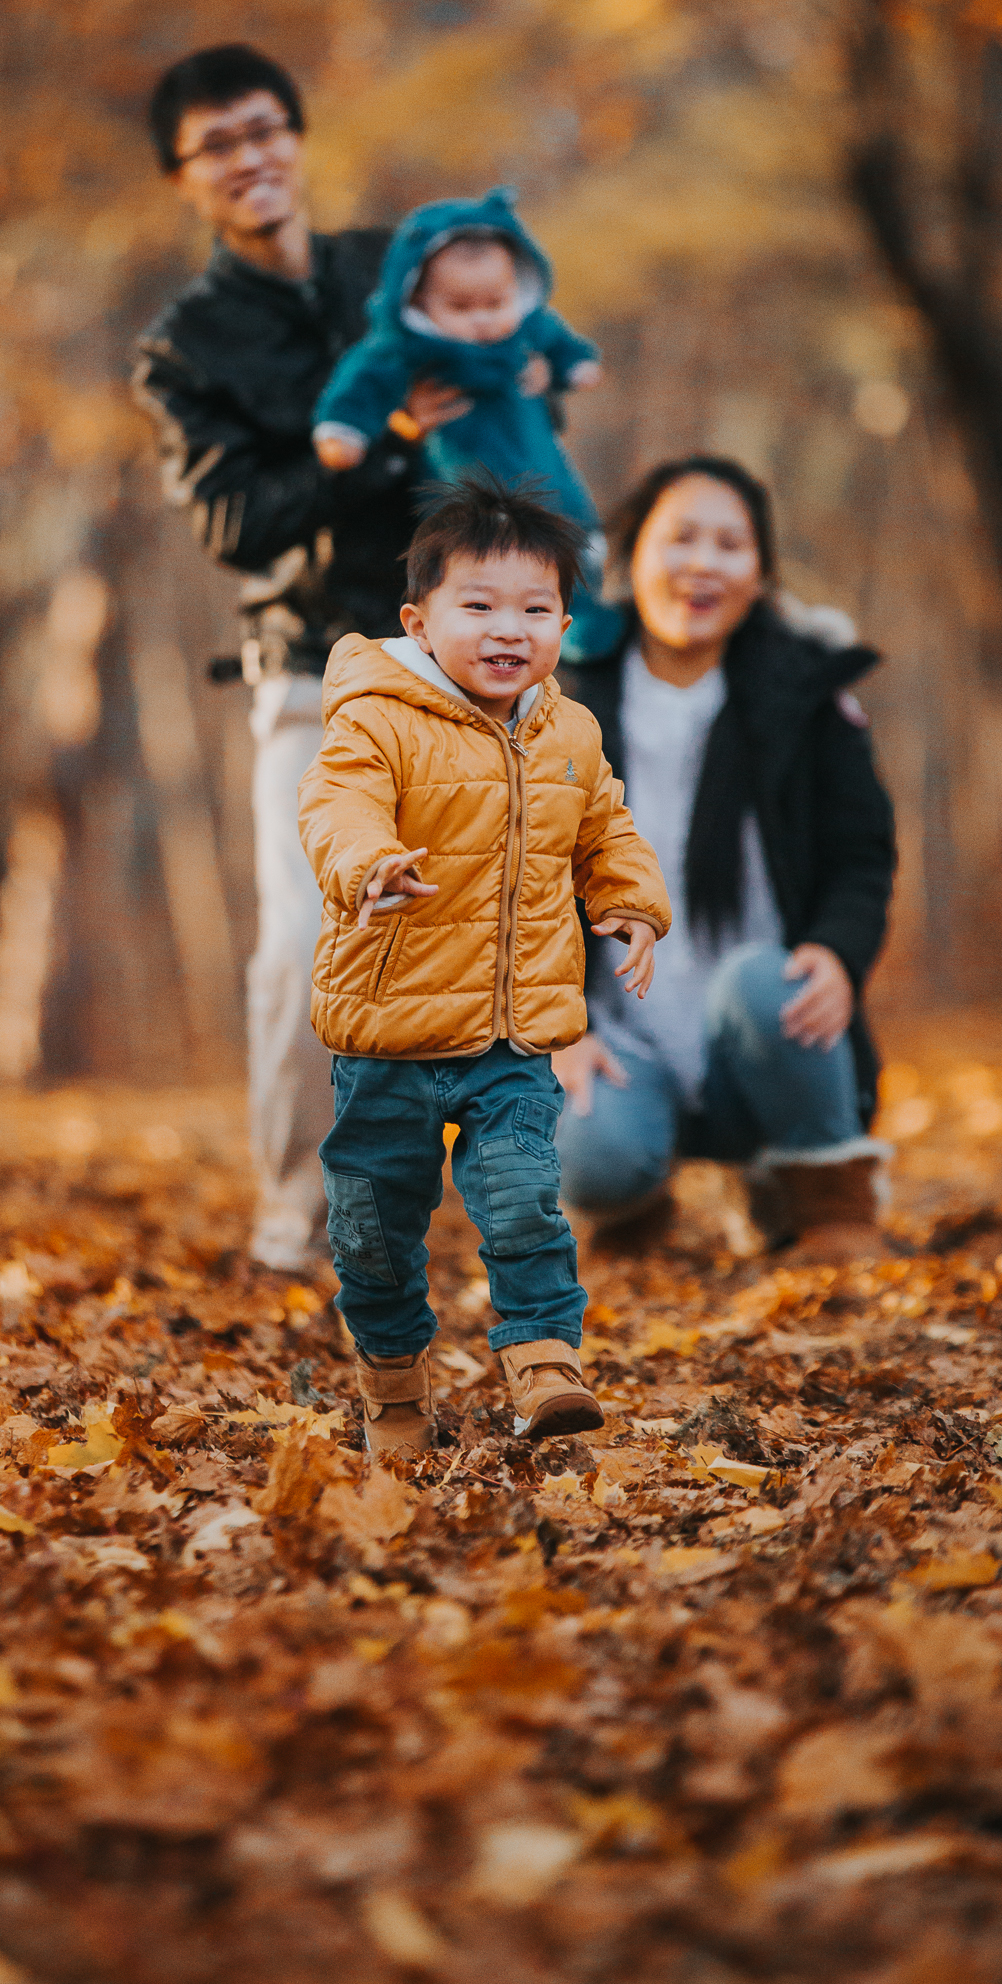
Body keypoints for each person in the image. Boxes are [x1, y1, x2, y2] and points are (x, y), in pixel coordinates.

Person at [131, 43, 463, 1272]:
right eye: (218, 144)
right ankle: (291, 1219)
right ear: (184, 178)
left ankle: (514, 1187)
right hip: (313, 669)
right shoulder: (187, 348)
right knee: (306, 942)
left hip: (469, 656)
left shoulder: (397, 268)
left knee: (500, 915)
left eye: (265, 129)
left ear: (299, 139)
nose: (249, 157)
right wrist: (372, 440)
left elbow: (485, 404)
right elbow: (235, 523)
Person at [296, 478, 671, 1456]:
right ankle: (394, 1391)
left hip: (513, 1035)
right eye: (481, 606)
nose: (510, 630)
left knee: (521, 1197)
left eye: (535, 609)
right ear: (421, 619)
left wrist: (628, 905)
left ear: (563, 622)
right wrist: (366, 863)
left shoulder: (568, 736)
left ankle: (544, 1361)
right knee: (373, 1233)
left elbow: (607, 832)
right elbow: (336, 807)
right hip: (391, 1034)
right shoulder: (378, 717)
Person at [552, 455, 897, 1262]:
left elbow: (862, 854)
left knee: (764, 980)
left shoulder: (809, 698)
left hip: (761, 1029)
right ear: (631, 559)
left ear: (761, 575)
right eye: (681, 540)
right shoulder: (561, 698)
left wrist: (838, 954)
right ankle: (631, 1203)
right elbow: (514, 881)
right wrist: (554, 1027)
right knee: (590, 1159)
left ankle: (825, 1202)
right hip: (621, 1036)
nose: (703, 564)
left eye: (730, 545)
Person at [311, 186, 626, 660]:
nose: (482, 320)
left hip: (544, 468)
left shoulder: (522, 327)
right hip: (466, 483)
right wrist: (344, 429)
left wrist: (571, 365)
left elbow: (554, 337)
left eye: (494, 303)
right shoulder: (405, 348)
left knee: (572, 532)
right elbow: (363, 382)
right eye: (460, 308)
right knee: (485, 556)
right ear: (416, 300)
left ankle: (587, 623)